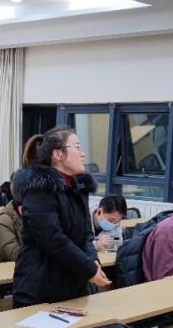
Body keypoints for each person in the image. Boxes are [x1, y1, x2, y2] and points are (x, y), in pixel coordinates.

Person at [13, 127, 109, 307]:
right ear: (57, 154)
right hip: (41, 285)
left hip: (73, 284)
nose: (83, 154)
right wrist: (88, 269)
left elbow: (86, 234)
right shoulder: (39, 189)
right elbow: (52, 239)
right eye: (77, 147)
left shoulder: (78, 187)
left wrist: (93, 259)